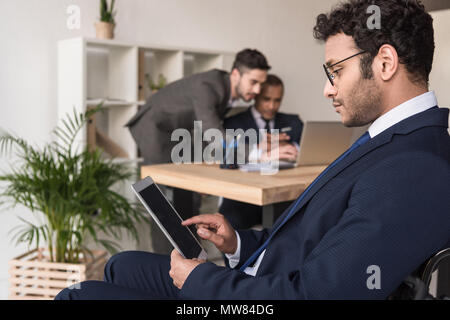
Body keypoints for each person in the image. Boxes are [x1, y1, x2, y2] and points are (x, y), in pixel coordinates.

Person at [56, 0, 449, 300]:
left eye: (336, 71)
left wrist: (202, 279)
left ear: (384, 63)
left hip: (253, 295)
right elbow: (315, 239)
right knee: (121, 264)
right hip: (254, 272)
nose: (328, 89)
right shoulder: (393, 141)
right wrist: (238, 243)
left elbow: (318, 294)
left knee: (78, 294)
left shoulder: (414, 167)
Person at [126, 49, 270, 254]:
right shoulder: (209, 86)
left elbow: (205, 129)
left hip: (177, 134)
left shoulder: (226, 91)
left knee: (187, 198)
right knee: (164, 202)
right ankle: (164, 263)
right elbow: (213, 133)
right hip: (154, 128)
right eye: (254, 82)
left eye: (261, 84)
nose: (257, 90)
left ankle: (189, 257)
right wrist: (258, 154)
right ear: (236, 74)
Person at [219, 74, 304, 229]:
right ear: (255, 97)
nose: (272, 106)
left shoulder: (293, 122)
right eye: (266, 99)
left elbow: (305, 150)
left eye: (277, 100)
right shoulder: (233, 123)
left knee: (302, 221)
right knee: (229, 225)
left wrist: (291, 148)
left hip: (282, 196)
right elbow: (226, 158)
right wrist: (261, 151)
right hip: (244, 198)